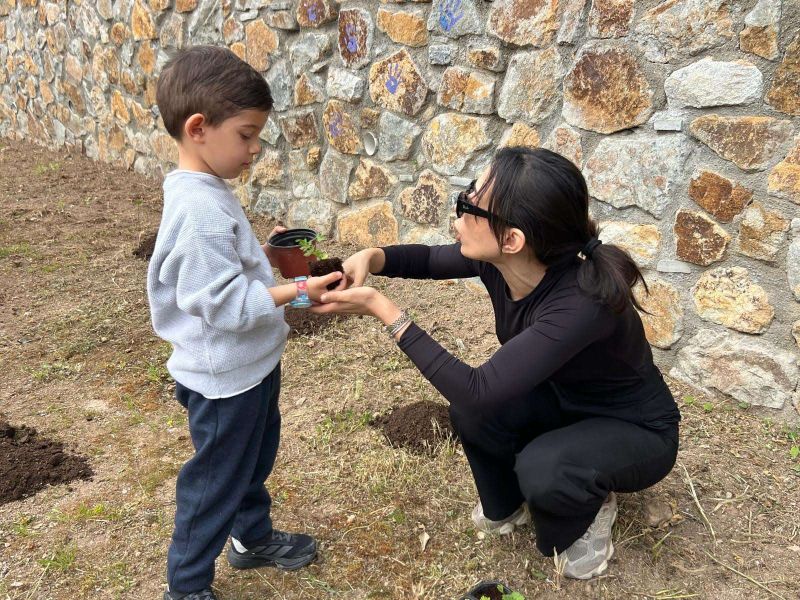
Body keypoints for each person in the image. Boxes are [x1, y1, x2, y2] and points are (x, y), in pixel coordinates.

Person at [311, 146, 680, 580]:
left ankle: (592, 504)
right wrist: (373, 257)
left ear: (512, 239)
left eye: (469, 205)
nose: (458, 213)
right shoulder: (502, 262)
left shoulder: (581, 304)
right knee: (473, 414)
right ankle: (506, 507)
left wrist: (381, 308)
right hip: (563, 402)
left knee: (543, 466)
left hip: (635, 429)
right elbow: (428, 260)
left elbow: (478, 389)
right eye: (468, 192)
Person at [147, 46, 343, 600]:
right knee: (215, 482)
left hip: (251, 368)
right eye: (248, 135)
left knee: (251, 461)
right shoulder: (199, 210)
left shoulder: (207, 191)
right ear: (198, 128)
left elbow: (226, 266)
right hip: (223, 380)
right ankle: (186, 587)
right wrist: (299, 291)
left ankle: (251, 539)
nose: (256, 149)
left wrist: (263, 256)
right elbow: (228, 305)